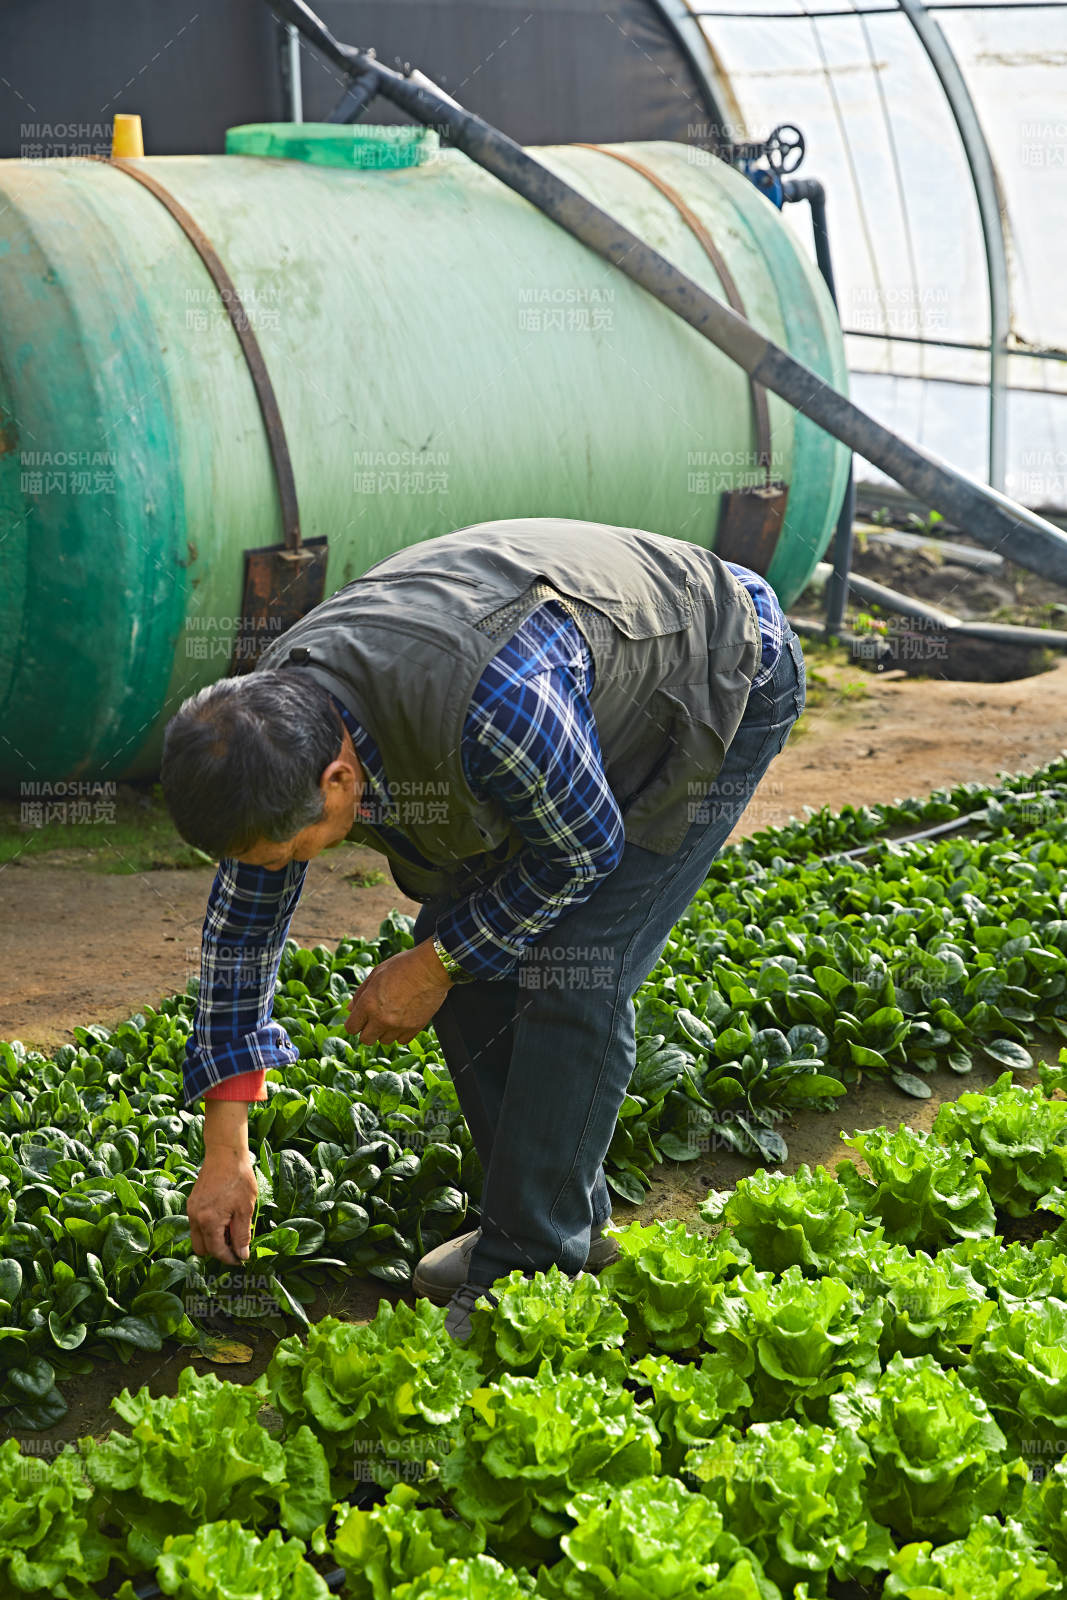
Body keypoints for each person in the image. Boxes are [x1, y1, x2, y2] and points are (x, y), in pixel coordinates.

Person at [160, 517, 806, 1341]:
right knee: (466, 972)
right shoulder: (263, 735)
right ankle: (541, 1226)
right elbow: (242, 937)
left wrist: (434, 963)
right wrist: (227, 1144)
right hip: (567, 704)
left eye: (291, 848)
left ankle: (530, 1271)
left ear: (339, 777)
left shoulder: (495, 707)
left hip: (713, 670)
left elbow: (581, 855)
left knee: (570, 971)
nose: (284, 864)